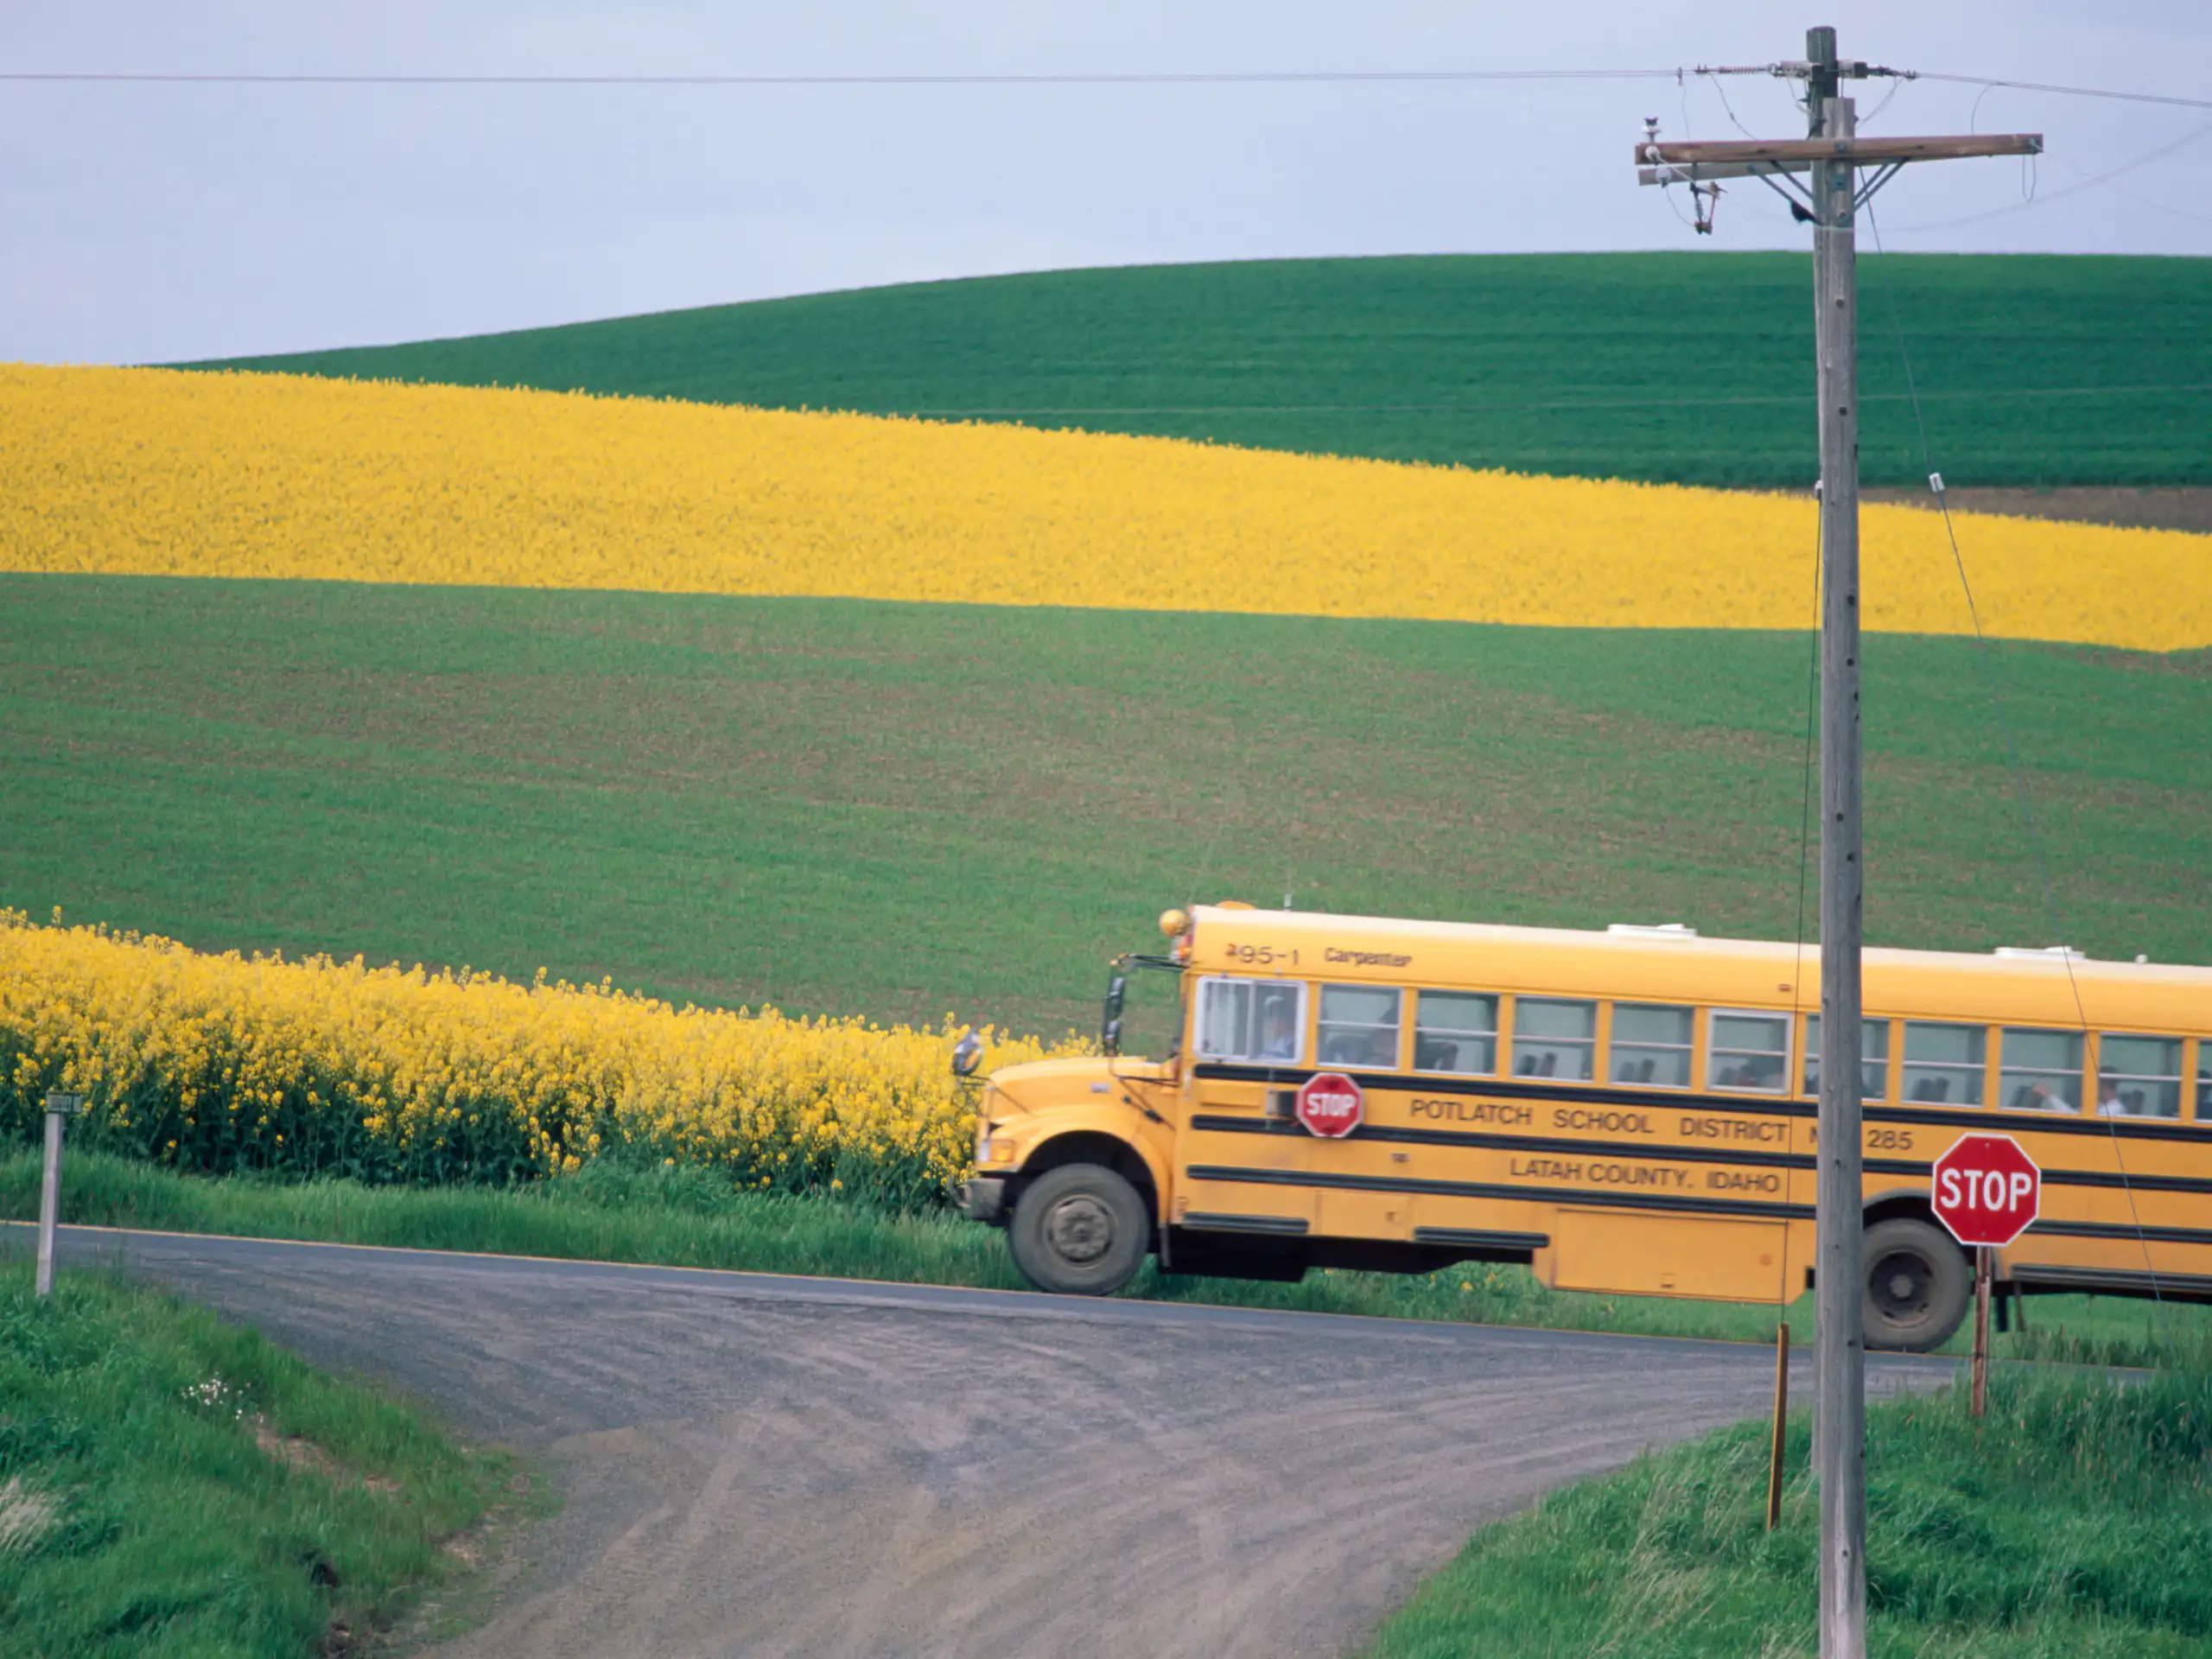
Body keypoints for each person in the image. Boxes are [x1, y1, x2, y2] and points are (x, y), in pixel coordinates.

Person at [1256, 996, 1299, 1061]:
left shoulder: (1294, 1048)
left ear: (1284, 1022)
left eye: (1272, 1020)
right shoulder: (1274, 1043)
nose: (1266, 1026)